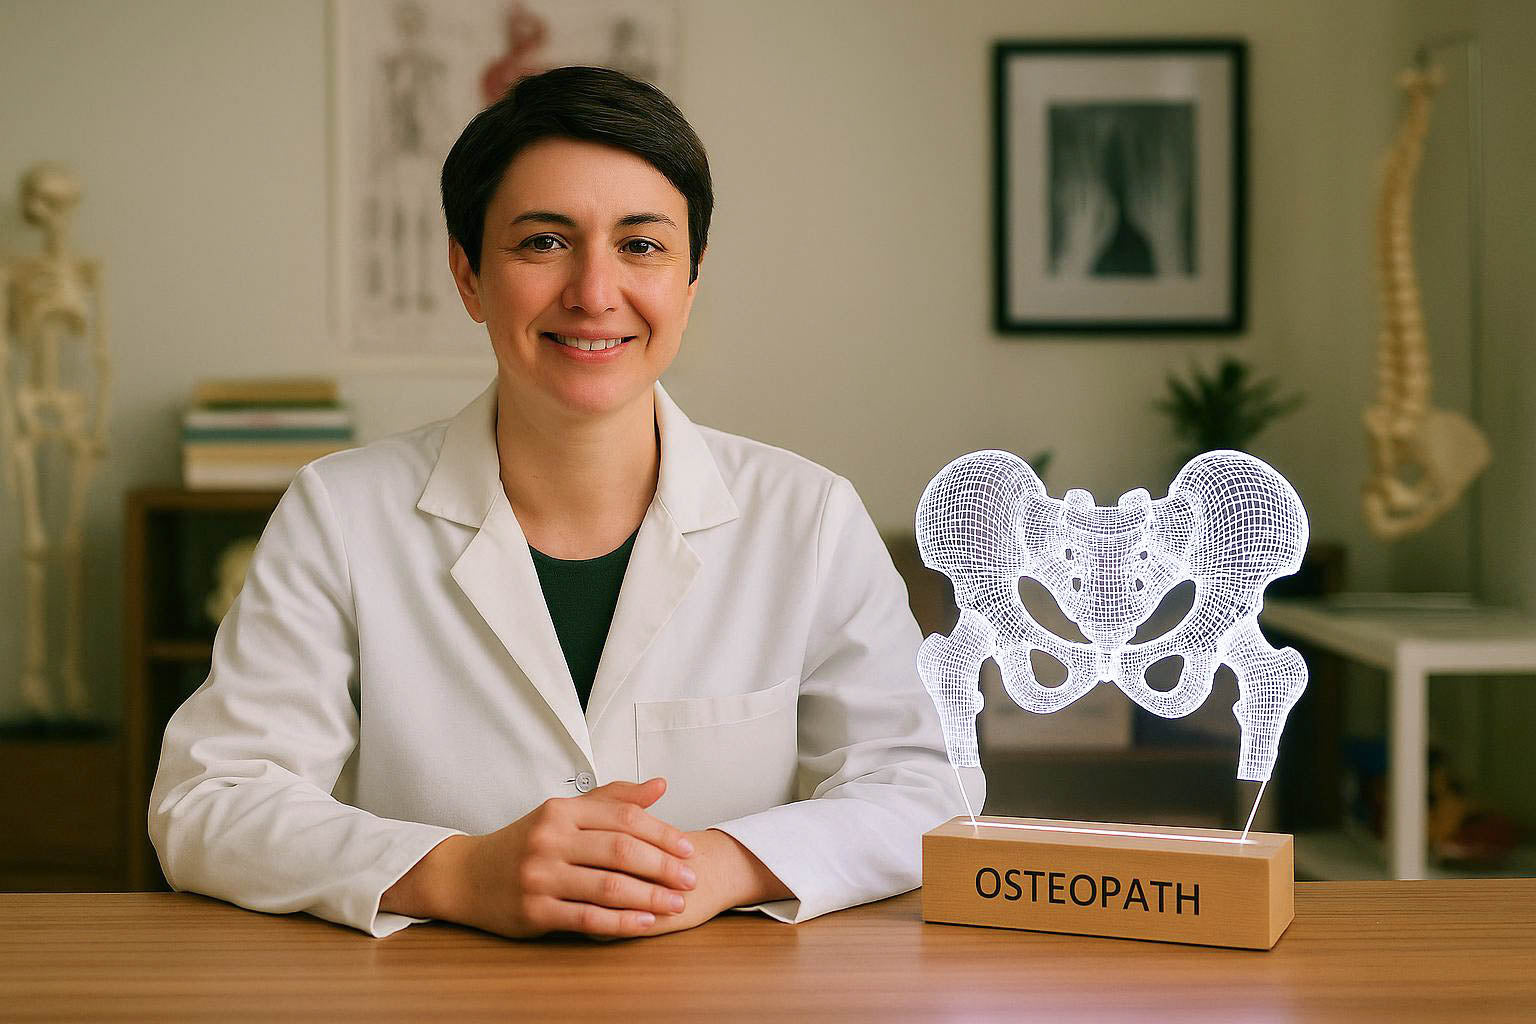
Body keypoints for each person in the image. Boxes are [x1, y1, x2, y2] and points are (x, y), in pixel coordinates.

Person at [149, 66, 981, 941]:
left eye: (642, 245)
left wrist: (711, 867)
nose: (593, 292)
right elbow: (210, 800)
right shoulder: (340, 514)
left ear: (691, 281)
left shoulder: (807, 518)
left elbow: (925, 791)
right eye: (544, 243)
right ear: (468, 276)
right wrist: (458, 874)